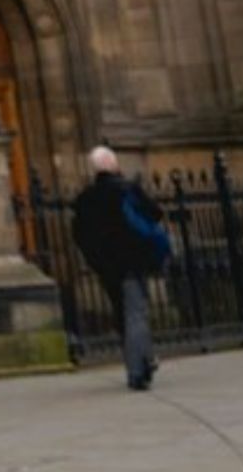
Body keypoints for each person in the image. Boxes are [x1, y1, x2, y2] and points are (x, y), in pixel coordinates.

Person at [70, 144, 170, 390]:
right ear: (114, 165)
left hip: (104, 265)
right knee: (136, 312)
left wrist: (95, 258)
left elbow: (79, 234)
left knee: (122, 313)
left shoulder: (85, 199)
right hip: (132, 261)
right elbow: (155, 213)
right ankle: (137, 370)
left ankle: (144, 359)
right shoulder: (126, 189)